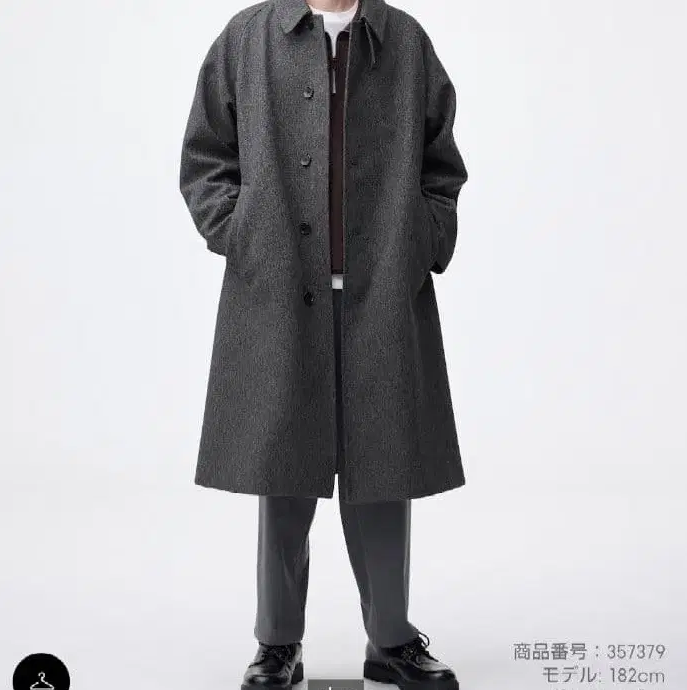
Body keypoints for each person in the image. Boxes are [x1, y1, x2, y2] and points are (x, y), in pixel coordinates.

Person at [179, 0, 468, 687]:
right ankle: (277, 643)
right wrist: (242, 233)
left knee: (385, 469)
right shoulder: (248, 39)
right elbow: (206, 155)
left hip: (382, 291)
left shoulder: (403, 41)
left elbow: (441, 165)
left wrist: (424, 238)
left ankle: (391, 641)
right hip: (278, 291)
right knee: (282, 474)